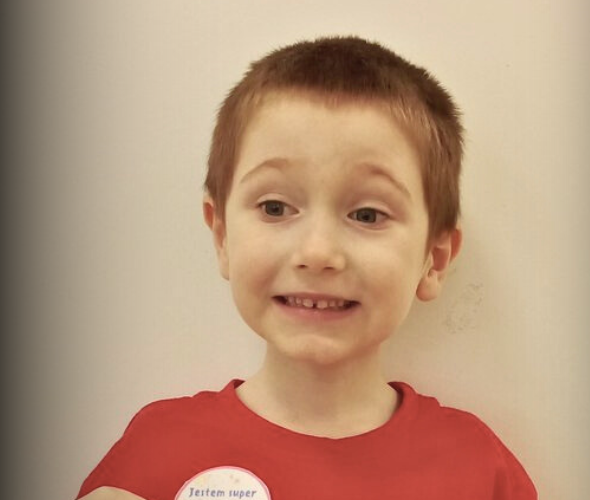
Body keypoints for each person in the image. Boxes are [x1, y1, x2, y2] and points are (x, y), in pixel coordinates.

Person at [77, 35, 537, 500]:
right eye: (275, 208)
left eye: (367, 215)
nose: (317, 253)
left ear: (434, 259)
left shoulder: (478, 470)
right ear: (222, 236)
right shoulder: (157, 451)